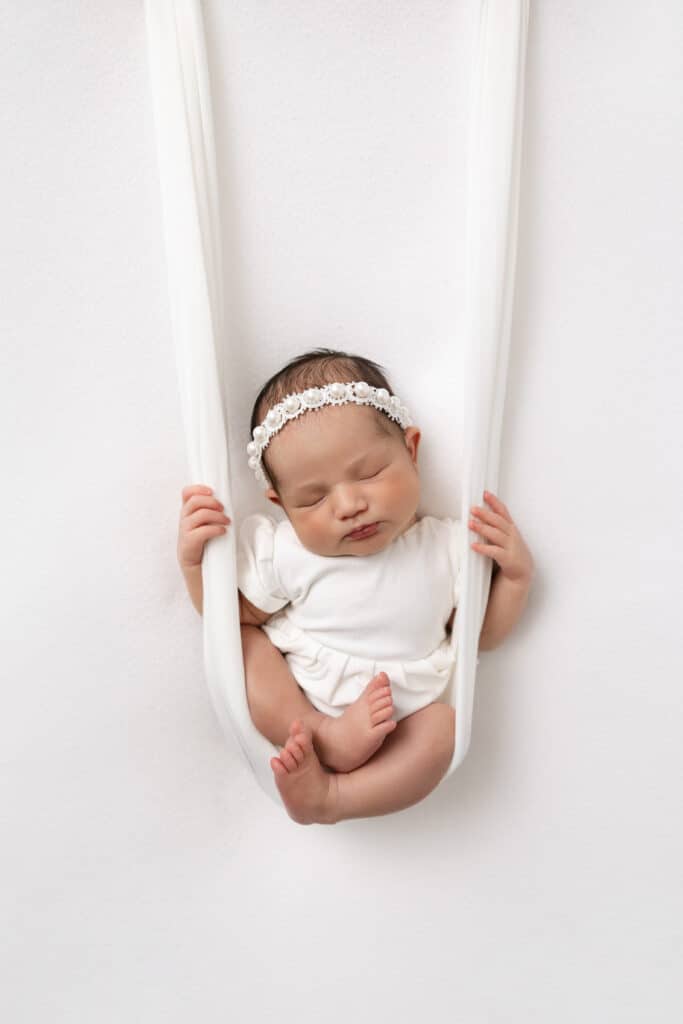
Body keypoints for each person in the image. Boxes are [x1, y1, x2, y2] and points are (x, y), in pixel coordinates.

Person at [177, 349, 535, 825]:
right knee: (242, 645)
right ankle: (322, 734)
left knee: (445, 732)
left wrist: (514, 578)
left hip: (402, 715)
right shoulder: (287, 552)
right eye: (313, 497)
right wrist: (193, 565)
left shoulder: (446, 547)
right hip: (302, 702)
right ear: (280, 505)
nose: (348, 504)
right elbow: (227, 621)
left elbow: (480, 636)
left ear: (411, 450)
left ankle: (334, 797)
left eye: (369, 474)